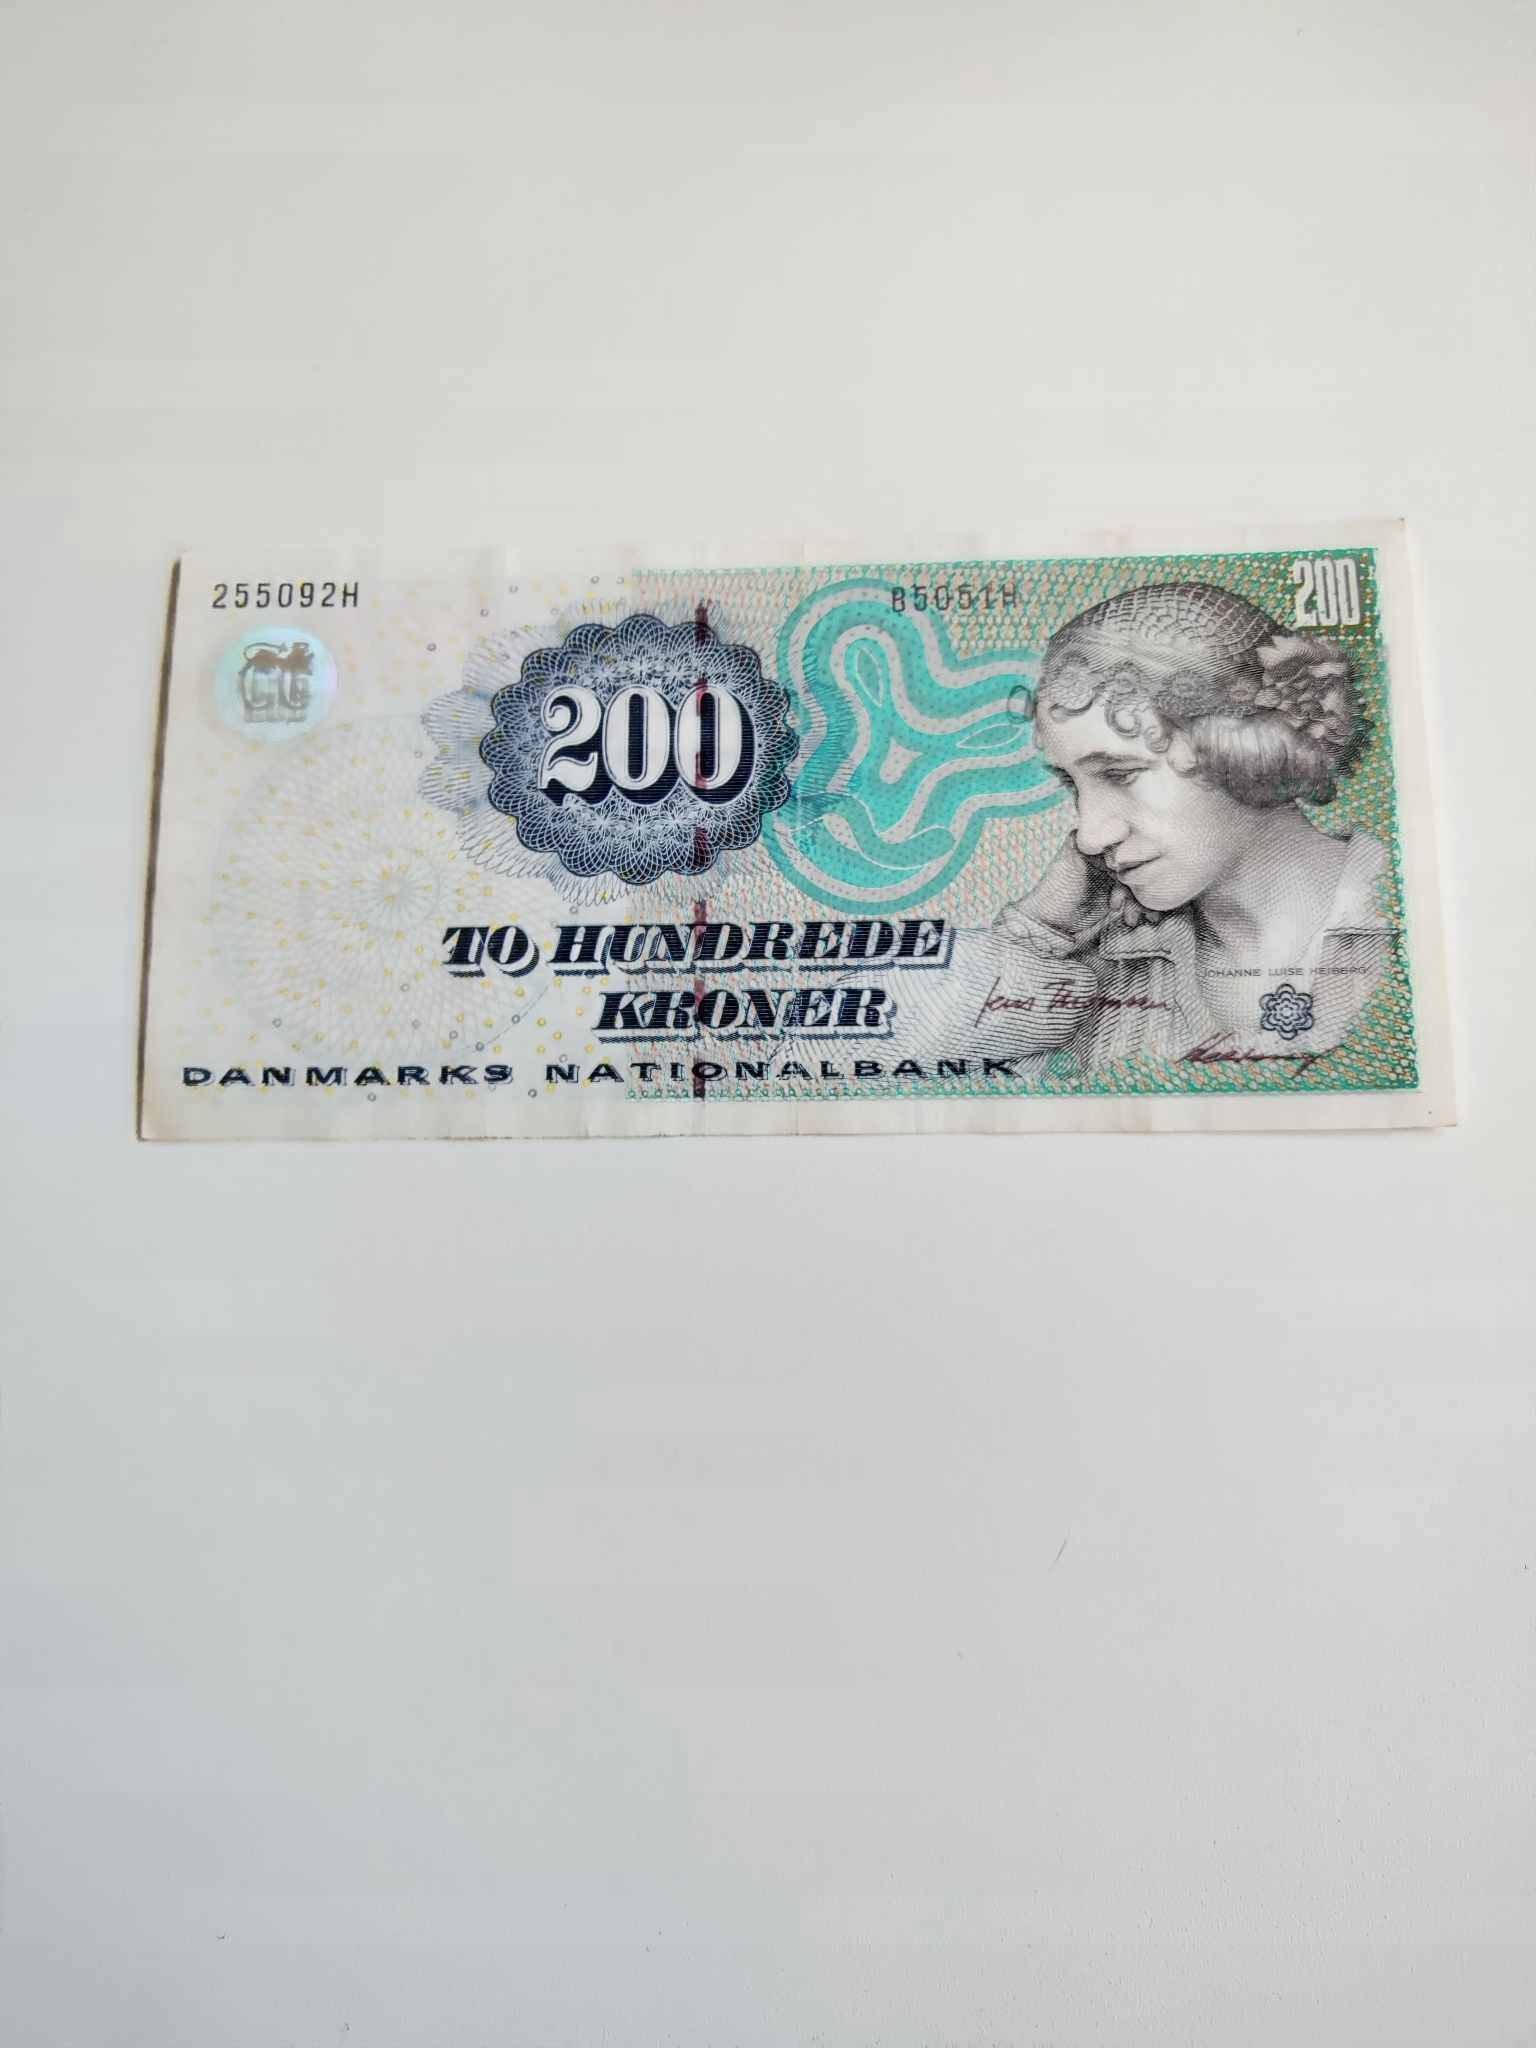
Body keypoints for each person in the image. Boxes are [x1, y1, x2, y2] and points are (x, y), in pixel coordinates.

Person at [907, 580, 1392, 1073]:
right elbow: (902, 1065)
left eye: (1120, 774)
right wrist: (1040, 928)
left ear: (1248, 749)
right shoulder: (1101, 961)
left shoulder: (1402, 917)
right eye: (1072, 784)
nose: (1090, 836)